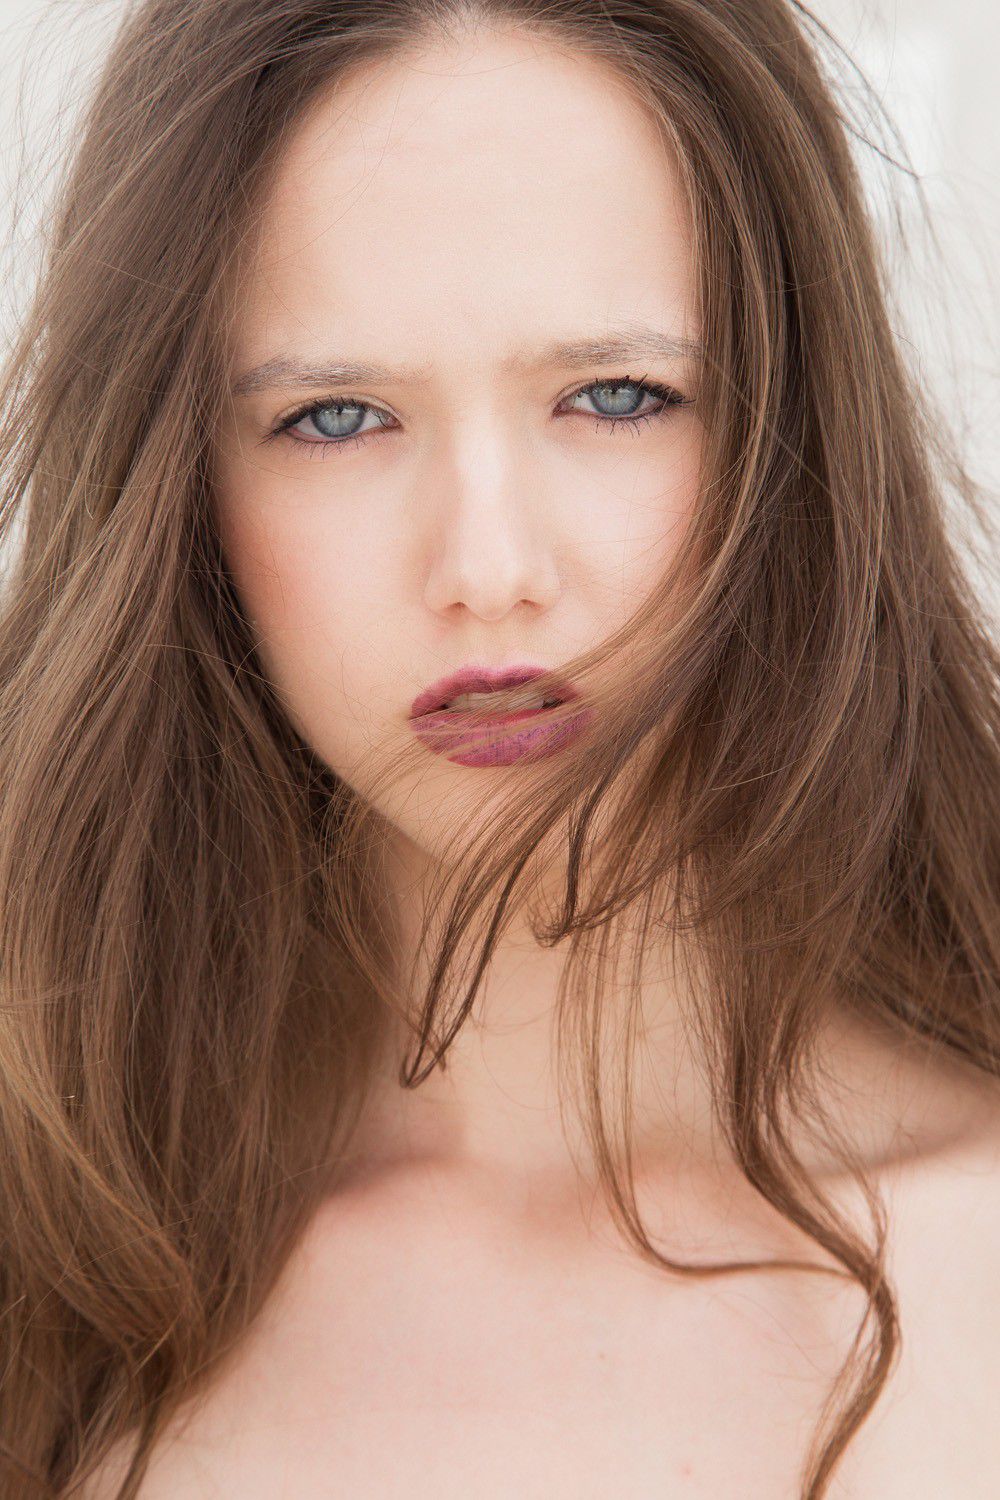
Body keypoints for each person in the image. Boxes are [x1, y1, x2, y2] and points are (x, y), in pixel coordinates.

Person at [1, 0, 998, 1496]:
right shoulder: (60, 1255)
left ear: (798, 442)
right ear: (182, 492)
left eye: (616, 397)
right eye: (337, 417)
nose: (488, 568)